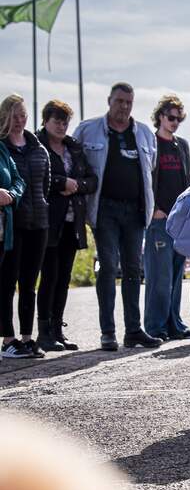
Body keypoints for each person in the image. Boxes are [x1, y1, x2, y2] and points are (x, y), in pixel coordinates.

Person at [75, 82, 162, 351]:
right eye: (119, 101)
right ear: (109, 100)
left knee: (134, 270)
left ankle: (134, 331)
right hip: (105, 210)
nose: (123, 107)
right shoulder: (88, 130)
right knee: (109, 267)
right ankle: (108, 332)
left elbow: (152, 169)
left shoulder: (145, 134)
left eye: (128, 102)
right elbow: (76, 162)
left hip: (135, 211)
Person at [36, 99, 98, 352]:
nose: (61, 126)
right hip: (48, 221)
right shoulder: (36, 146)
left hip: (73, 222)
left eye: (65, 122)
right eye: (57, 121)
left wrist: (75, 185)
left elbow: (91, 180)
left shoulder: (73, 148)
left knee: (63, 279)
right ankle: (44, 332)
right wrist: (62, 182)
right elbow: (37, 177)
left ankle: (57, 330)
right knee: (49, 277)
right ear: (45, 121)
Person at [144, 94, 190, 342]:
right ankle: (156, 327)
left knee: (178, 274)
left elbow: (186, 179)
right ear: (160, 117)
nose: (175, 122)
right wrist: (153, 207)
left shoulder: (182, 145)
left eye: (178, 118)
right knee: (160, 275)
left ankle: (174, 324)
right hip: (158, 218)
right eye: (170, 117)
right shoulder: (151, 143)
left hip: (179, 218)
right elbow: (145, 177)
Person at [1, 94, 51, 359]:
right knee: (8, 282)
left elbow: (46, 183)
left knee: (29, 283)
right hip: (13, 224)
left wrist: (42, 207)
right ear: (6, 117)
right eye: (15, 116)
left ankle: (27, 337)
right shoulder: (2, 148)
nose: (20, 121)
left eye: (23, 115)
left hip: (38, 222)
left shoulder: (37, 147)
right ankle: (8, 339)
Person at [0, 140, 25, 318]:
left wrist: (12, 195)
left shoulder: (1, 148)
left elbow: (18, 180)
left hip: (3, 228)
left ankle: (7, 340)